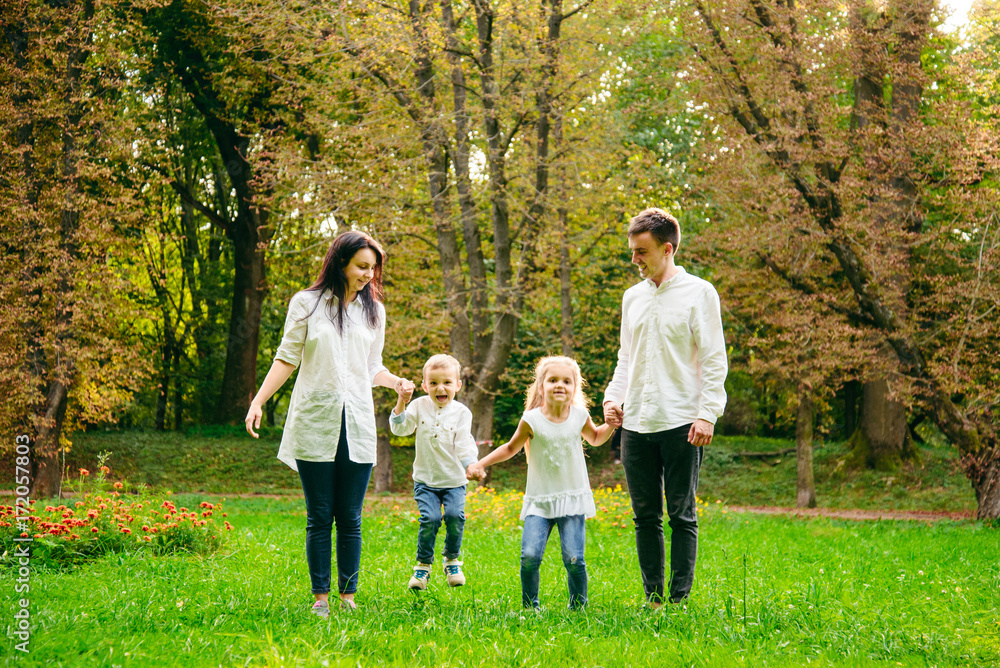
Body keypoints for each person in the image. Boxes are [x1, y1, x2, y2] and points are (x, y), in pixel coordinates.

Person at [245, 230, 415, 618]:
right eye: (362, 266)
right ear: (341, 262)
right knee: (320, 515)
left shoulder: (374, 311)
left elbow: (372, 367)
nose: (368, 275)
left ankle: (348, 597)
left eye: (373, 268)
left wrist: (396, 383)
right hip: (315, 421)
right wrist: (258, 401)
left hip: (357, 422)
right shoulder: (306, 303)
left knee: (350, 518)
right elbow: (287, 357)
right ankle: (320, 598)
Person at [603, 207, 728, 607]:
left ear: (667, 249)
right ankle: (654, 599)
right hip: (636, 423)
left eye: (641, 251)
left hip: (682, 422)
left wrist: (708, 413)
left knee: (681, 514)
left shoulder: (700, 293)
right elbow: (627, 357)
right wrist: (612, 397)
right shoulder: (632, 297)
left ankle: (679, 600)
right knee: (644, 517)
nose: (634, 259)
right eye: (632, 250)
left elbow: (713, 359)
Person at [467, 356, 614, 609]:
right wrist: (481, 464)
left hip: (572, 498)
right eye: (553, 380)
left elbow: (596, 438)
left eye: (566, 381)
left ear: (575, 387)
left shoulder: (580, 415)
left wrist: (610, 424)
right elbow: (510, 448)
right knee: (530, 557)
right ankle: (530, 606)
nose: (560, 385)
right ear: (541, 386)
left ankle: (578, 608)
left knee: (574, 559)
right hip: (539, 501)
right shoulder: (531, 419)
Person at [389, 353, 478, 590]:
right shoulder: (418, 406)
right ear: (424, 385)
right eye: (434, 382)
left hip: (454, 481)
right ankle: (423, 565)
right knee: (430, 519)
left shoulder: (462, 413)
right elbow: (400, 429)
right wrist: (402, 401)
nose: (441, 387)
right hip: (425, 481)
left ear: (458, 385)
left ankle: (452, 560)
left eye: (447, 382)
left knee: (455, 517)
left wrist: (471, 465)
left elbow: (464, 443)